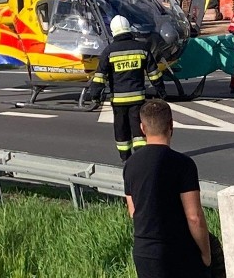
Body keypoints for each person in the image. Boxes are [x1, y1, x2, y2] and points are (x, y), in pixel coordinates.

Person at [124, 99, 211, 278]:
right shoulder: (183, 164)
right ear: (171, 125)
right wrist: (206, 254)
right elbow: (194, 217)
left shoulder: (130, 164)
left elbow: (133, 211)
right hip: (178, 251)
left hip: (144, 252)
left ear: (142, 128)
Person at [90, 15, 166, 162]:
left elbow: (100, 76)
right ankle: (142, 158)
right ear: (129, 28)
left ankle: (126, 159)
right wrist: (161, 91)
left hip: (118, 101)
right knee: (138, 130)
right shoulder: (142, 48)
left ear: (113, 31)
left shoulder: (109, 51)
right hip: (138, 99)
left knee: (121, 130)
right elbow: (154, 73)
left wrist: (95, 95)